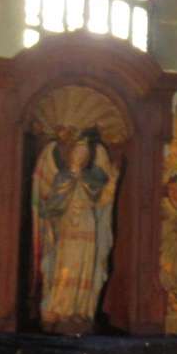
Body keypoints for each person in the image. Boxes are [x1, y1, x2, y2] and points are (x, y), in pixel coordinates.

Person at [32, 129, 122, 332]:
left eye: (84, 154)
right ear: (71, 154)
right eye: (78, 152)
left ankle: (81, 310)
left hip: (87, 225)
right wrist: (56, 204)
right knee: (65, 265)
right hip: (66, 227)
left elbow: (103, 202)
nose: (80, 156)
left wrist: (113, 181)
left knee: (85, 265)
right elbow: (51, 205)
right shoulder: (62, 177)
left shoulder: (92, 179)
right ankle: (57, 308)